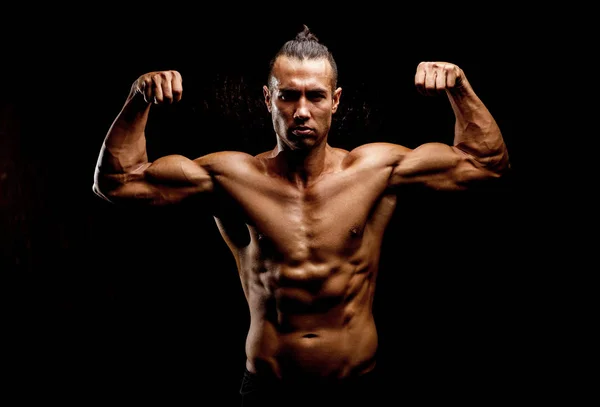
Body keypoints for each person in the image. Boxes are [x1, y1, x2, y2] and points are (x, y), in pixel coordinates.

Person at [92, 24, 510, 406]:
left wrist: (459, 87)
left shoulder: (375, 170)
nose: (302, 111)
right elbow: (118, 182)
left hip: (356, 386)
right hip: (268, 390)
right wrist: (137, 99)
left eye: (315, 96)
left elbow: (486, 163)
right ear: (268, 98)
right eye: (288, 95)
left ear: (336, 101)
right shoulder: (231, 176)